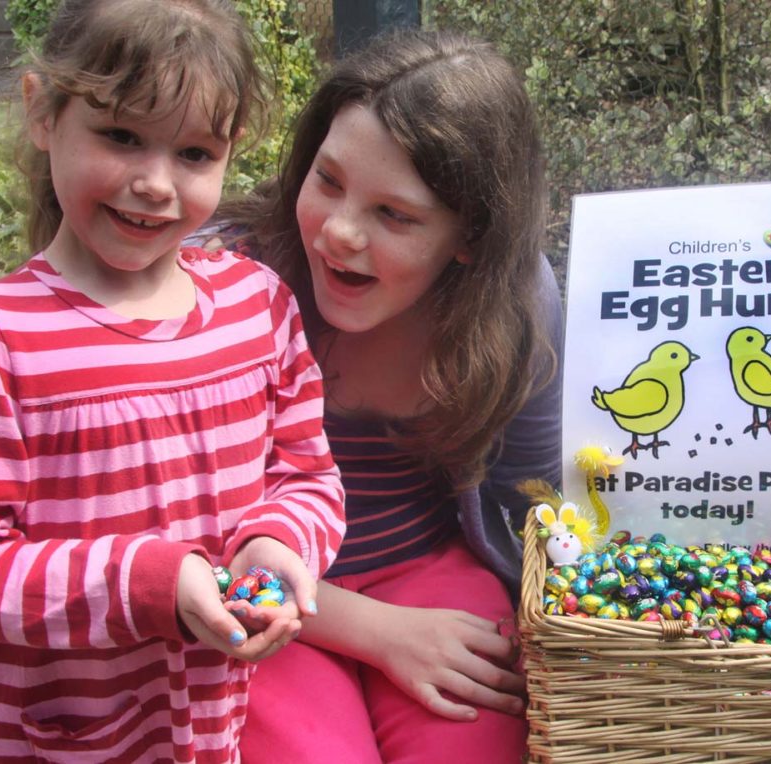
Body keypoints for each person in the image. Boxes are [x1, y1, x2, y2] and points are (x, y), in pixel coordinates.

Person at [0, 1, 345, 761]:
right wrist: (145, 582)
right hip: (42, 742)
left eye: (194, 153)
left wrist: (276, 545)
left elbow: (305, 475)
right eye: (122, 136)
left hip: (209, 734)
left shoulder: (258, 306)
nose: (156, 184)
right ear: (43, 112)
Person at [225, 29, 563, 763]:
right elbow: (165, 519)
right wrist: (374, 632)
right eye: (327, 181)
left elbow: (537, 496)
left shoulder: (516, 302)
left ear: (472, 235)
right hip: (252, 583)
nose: (339, 232)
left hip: (428, 570)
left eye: (395, 215)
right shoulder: (222, 283)